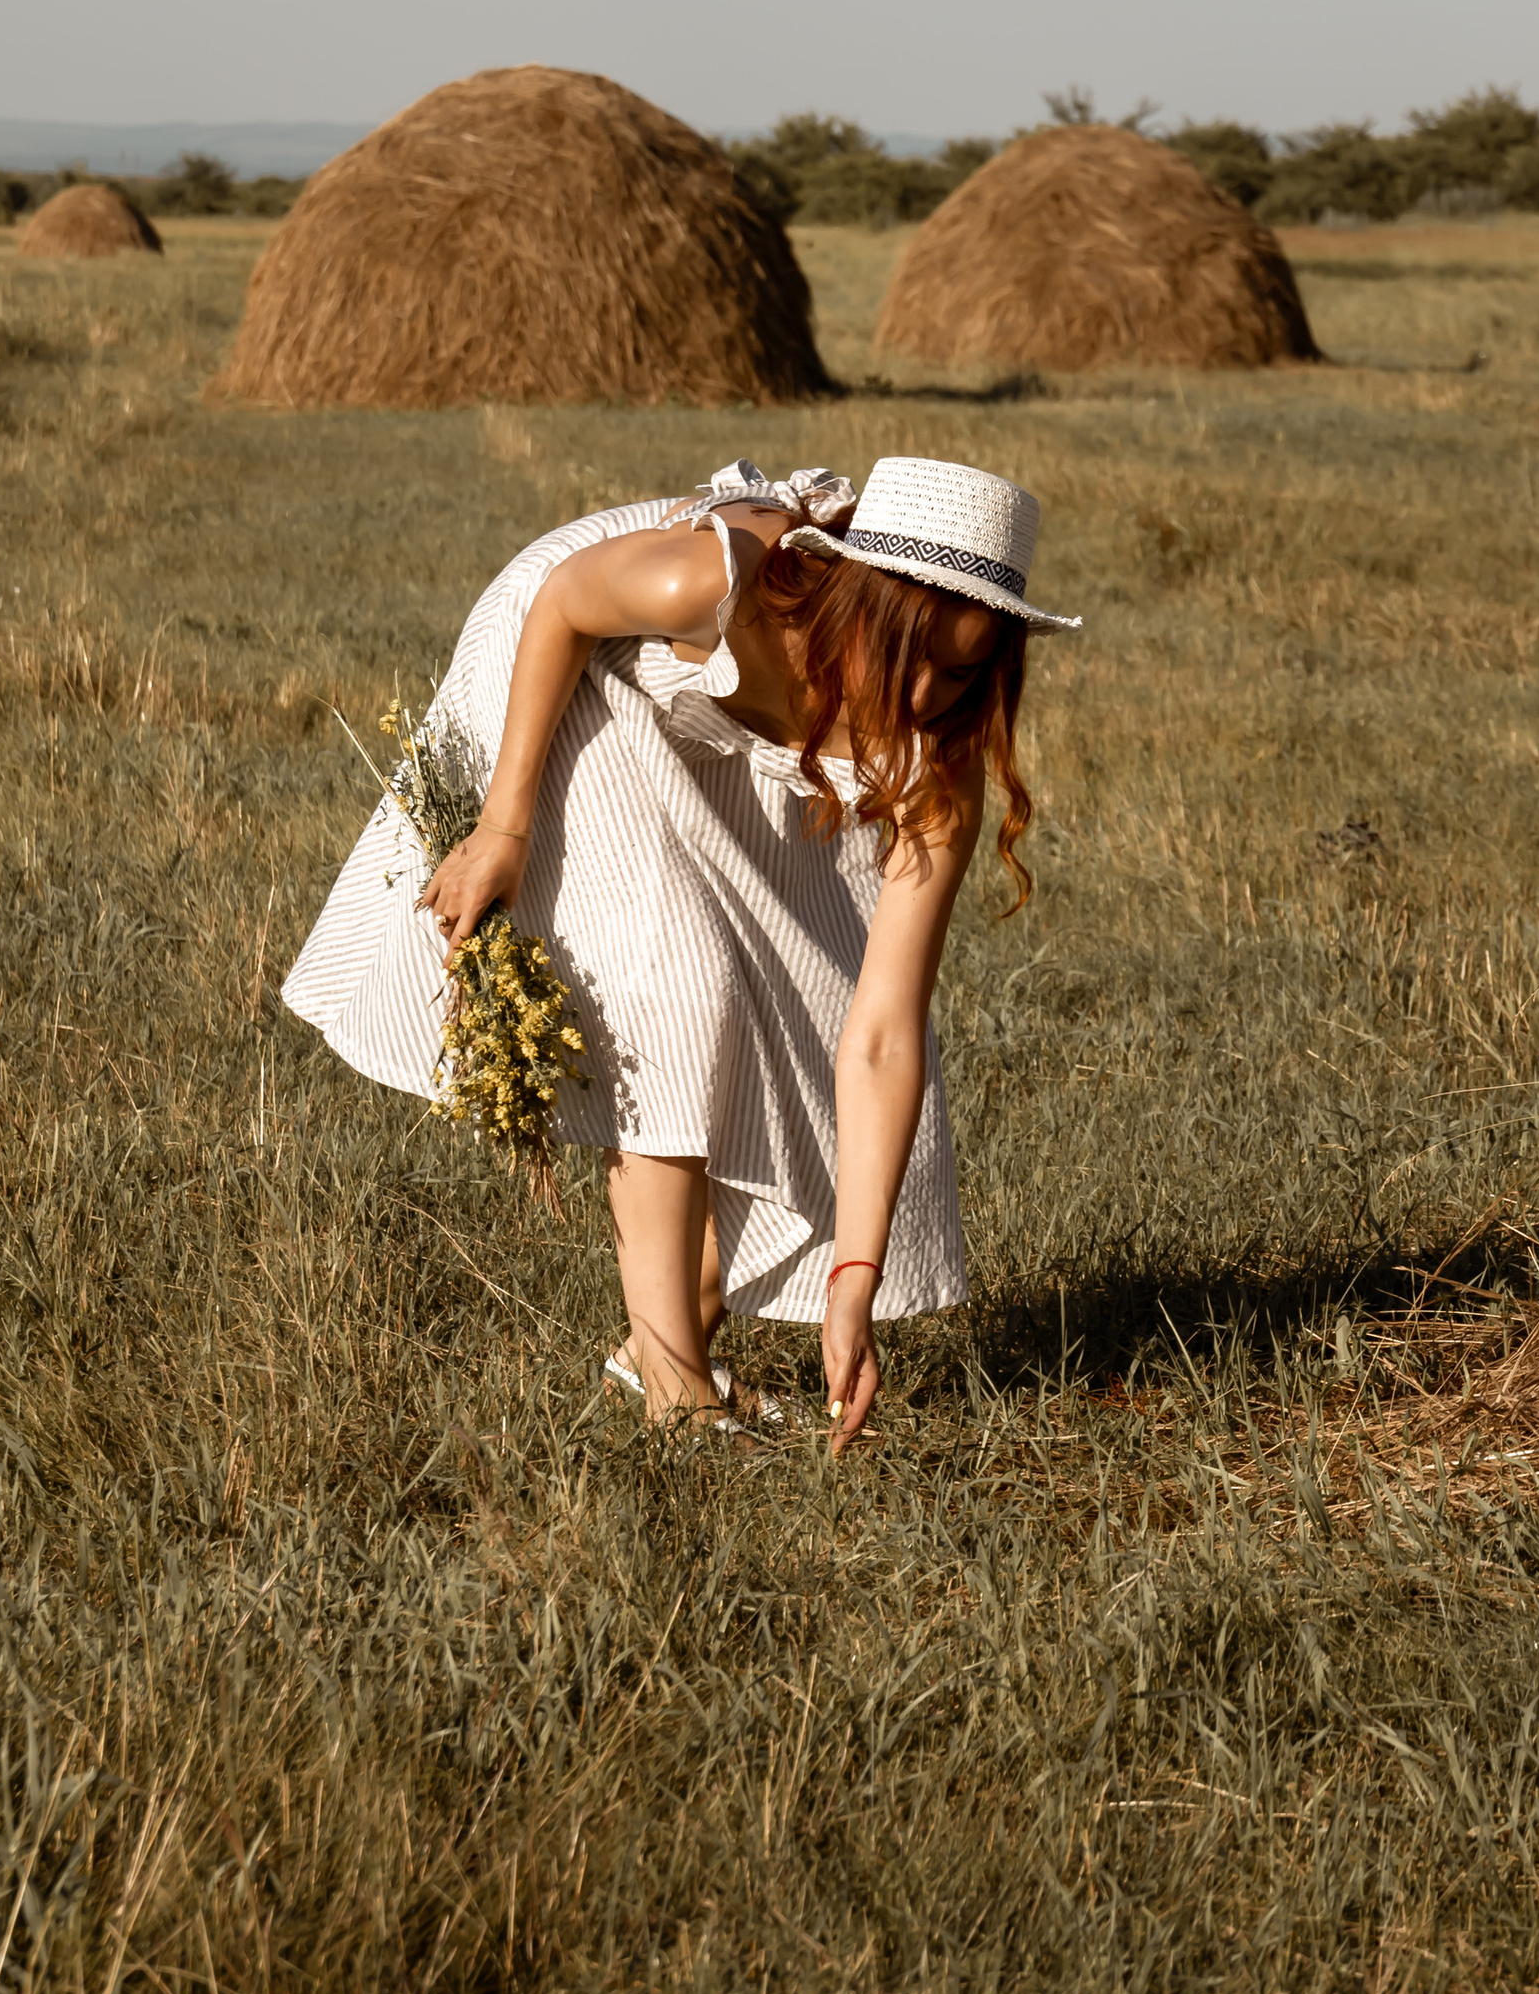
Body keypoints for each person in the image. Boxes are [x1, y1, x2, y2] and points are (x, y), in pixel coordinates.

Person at [283, 457, 1079, 1445]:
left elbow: (879, 1033)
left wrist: (853, 1282)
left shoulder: (937, 761)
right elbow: (567, 604)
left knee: (800, 1004)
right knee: (687, 987)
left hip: (713, 712)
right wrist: (503, 829)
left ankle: (670, 1343)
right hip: (577, 644)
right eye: (905, 651)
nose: (924, 694)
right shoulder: (709, 586)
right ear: (850, 603)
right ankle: (674, 1388)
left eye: (960, 670)